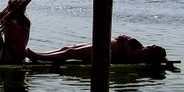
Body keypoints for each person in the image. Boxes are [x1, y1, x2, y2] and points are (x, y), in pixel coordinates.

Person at [26, 35, 167, 65]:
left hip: (102, 51)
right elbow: (123, 38)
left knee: (70, 53)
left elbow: (129, 57)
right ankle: (40, 54)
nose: (146, 50)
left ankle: (39, 57)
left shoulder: (143, 55)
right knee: (68, 48)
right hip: (105, 45)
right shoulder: (136, 44)